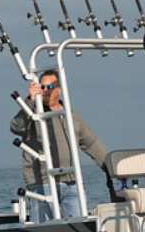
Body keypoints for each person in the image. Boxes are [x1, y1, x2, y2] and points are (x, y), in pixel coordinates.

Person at [10, 69, 109, 221]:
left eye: (49, 87)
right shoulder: (33, 114)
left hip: (71, 184)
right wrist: (29, 100)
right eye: (41, 87)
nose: (44, 91)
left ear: (59, 89)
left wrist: (112, 168)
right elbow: (16, 127)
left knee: (77, 226)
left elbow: (91, 144)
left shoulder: (72, 116)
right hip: (42, 184)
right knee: (44, 229)